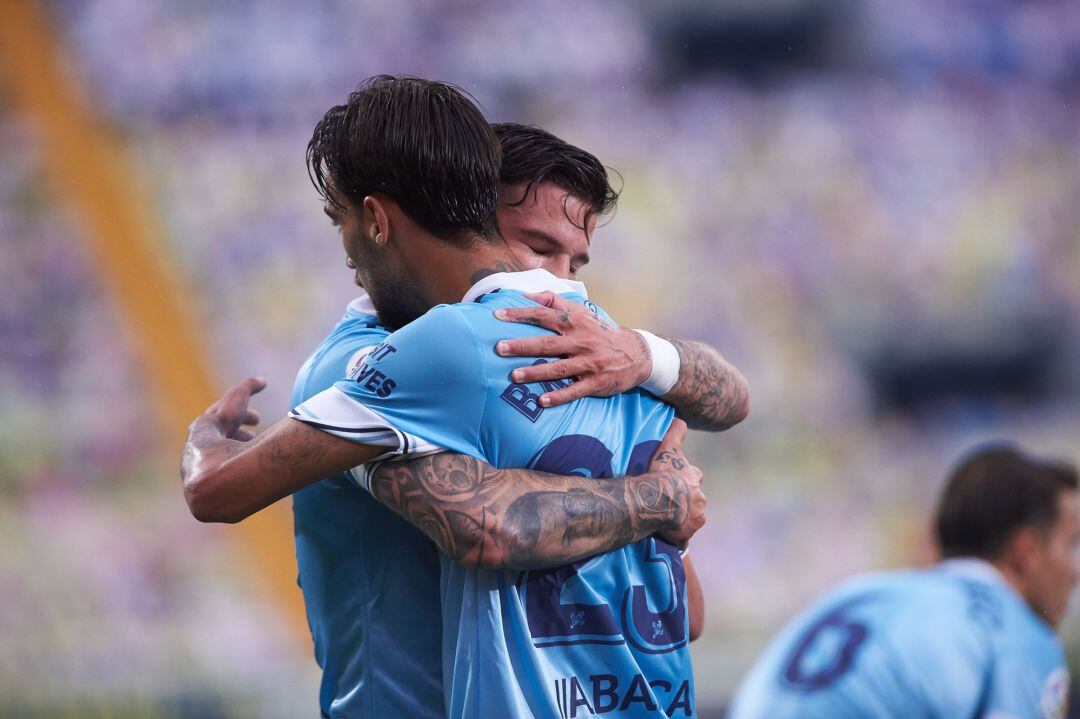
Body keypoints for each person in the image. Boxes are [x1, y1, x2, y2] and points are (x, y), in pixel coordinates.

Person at [181, 77, 747, 717]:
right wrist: (658, 493)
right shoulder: (607, 356)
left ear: (375, 218)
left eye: (574, 262)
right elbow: (683, 603)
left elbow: (217, 491)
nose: (554, 281)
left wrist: (206, 438)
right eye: (537, 248)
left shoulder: (591, 353)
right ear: (481, 213)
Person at [728, 444, 1078, 719]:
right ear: (1027, 550)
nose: (1076, 571)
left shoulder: (859, 592)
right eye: (1071, 544)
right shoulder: (1019, 634)